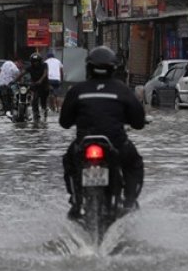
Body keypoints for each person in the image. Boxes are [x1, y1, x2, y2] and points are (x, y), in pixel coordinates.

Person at [59, 46, 146, 216]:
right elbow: (138, 122)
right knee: (134, 164)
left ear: (88, 67)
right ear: (113, 68)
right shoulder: (122, 89)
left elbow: (64, 122)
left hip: (83, 145)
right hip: (117, 144)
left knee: (69, 163)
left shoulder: (77, 90)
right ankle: (129, 201)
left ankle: (76, 201)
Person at [16, 52, 50, 121]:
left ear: (40, 61)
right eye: (34, 62)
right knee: (35, 99)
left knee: (43, 101)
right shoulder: (30, 67)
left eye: (37, 61)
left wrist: (40, 80)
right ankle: (36, 114)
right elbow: (22, 73)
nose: (36, 63)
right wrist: (14, 80)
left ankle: (44, 113)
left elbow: (45, 74)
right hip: (35, 85)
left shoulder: (44, 65)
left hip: (44, 85)